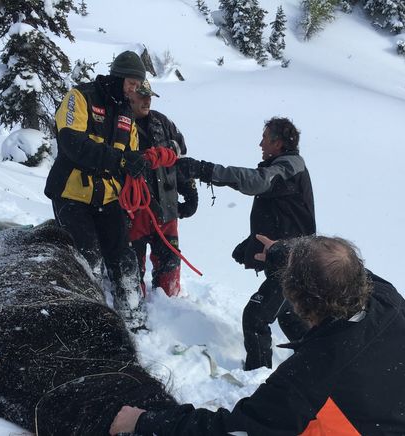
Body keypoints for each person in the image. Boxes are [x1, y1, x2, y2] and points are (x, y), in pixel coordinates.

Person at [109, 235, 405, 436]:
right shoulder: (389, 300)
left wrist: (141, 422)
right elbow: (334, 266)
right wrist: (280, 252)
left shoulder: (312, 374)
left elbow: (236, 431)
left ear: (297, 302)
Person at [176, 117, 314, 370]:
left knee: (256, 316)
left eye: (265, 138)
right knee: (289, 317)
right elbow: (284, 216)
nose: (260, 143)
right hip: (288, 258)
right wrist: (251, 244)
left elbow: (257, 181)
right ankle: (319, 364)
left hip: (291, 262)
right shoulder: (287, 166)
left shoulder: (287, 168)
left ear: (279, 143)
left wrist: (205, 170)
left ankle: (257, 375)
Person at [44, 50, 149, 330]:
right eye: (131, 83)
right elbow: (71, 142)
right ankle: (82, 317)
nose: (134, 89)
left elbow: (132, 153)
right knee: (87, 256)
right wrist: (119, 159)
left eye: (138, 85)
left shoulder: (128, 114)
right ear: (118, 77)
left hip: (109, 196)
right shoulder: (80, 97)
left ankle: (133, 317)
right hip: (71, 193)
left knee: (124, 256)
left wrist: (136, 165)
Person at [127, 79, 198, 297]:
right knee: (130, 270)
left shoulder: (162, 122)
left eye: (149, 96)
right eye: (142, 96)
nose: (147, 101)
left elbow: (180, 157)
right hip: (134, 210)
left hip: (166, 208)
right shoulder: (119, 123)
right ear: (128, 95)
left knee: (170, 267)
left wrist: (190, 190)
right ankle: (134, 311)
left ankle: (171, 308)